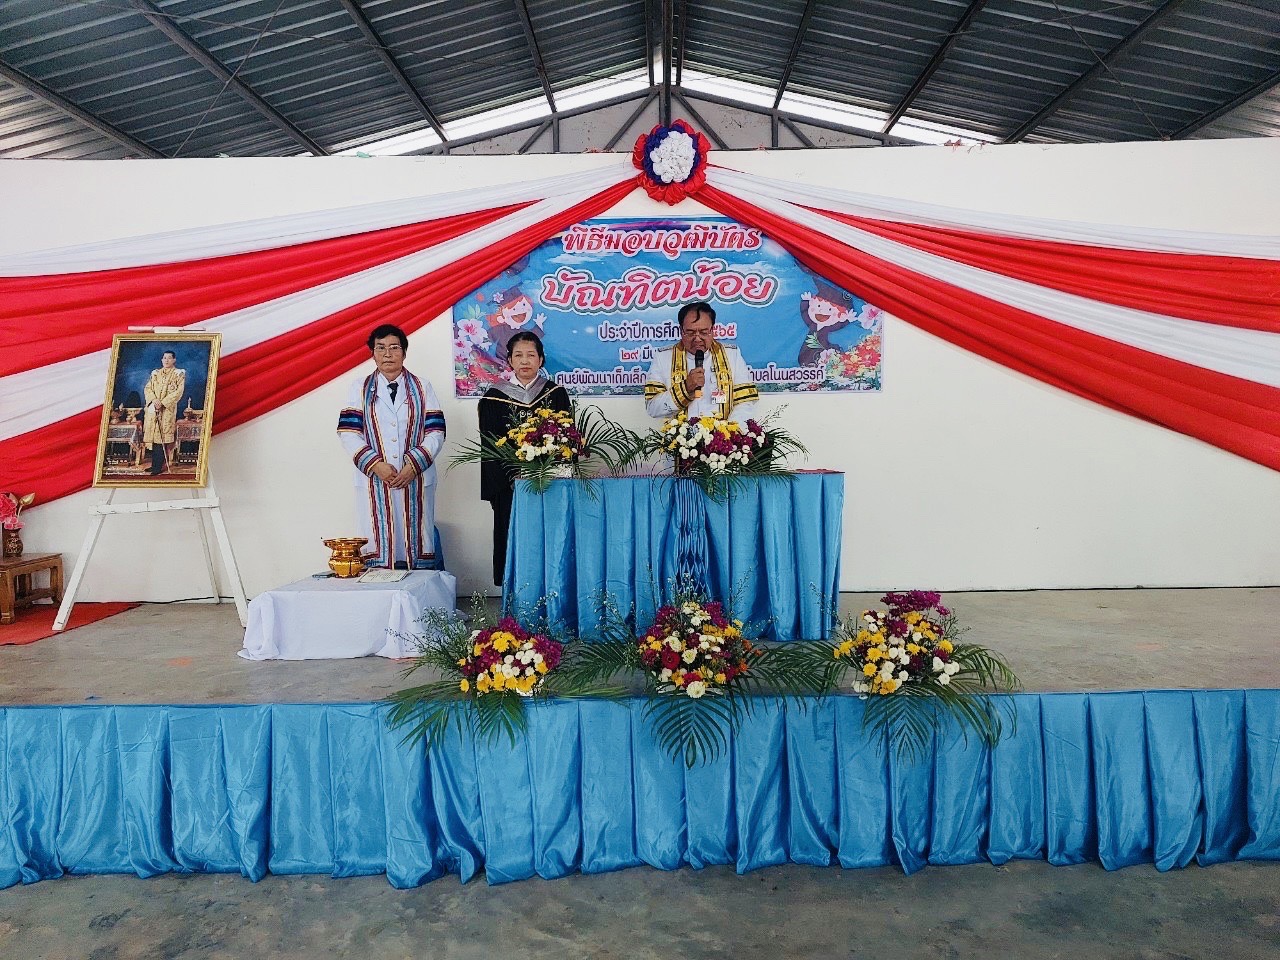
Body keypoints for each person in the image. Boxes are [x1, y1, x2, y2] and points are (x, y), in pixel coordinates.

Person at [337, 324, 446, 569]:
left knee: (417, 542)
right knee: (377, 544)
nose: (388, 354)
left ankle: (418, 586)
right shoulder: (359, 388)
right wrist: (376, 465)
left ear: (404, 353)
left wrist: (413, 466)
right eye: (381, 348)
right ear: (373, 353)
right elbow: (349, 433)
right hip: (374, 479)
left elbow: (436, 431)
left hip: (415, 477)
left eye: (394, 347)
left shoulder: (422, 387)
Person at [478, 330, 571, 585]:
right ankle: (514, 593)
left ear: (541, 359)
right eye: (518, 355)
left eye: (531, 355)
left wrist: (547, 472)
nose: (525, 361)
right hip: (511, 486)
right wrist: (513, 476)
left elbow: (566, 438)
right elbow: (490, 445)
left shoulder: (555, 394)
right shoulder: (493, 397)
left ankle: (554, 588)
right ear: (509, 360)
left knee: (551, 537)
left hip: (549, 483)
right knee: (513, 535)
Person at [644, 301, 758, 421]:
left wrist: (729, 430)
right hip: (680, 432)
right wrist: (685, 388)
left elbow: (745, 402)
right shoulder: (663, 357)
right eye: (690, 333)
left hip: (723, 431)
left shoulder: (732, 355)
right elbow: (652, 408)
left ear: (712, 330)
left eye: (703, 332)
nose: (697, 339)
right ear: (681, 331)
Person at [143, 349, 185, 475]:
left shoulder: (178, 374)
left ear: (174, 360)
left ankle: (158, 467)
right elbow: (148, 388)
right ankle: (154, 465)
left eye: (169, 358)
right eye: (164, 358)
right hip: (154, 408)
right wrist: (154, 400)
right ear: (162, 360)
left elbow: (178, 392)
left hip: (167, 410)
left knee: (161, 438)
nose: (166, 360)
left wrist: (163, 402)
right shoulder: (155, 373)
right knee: (154, 438)